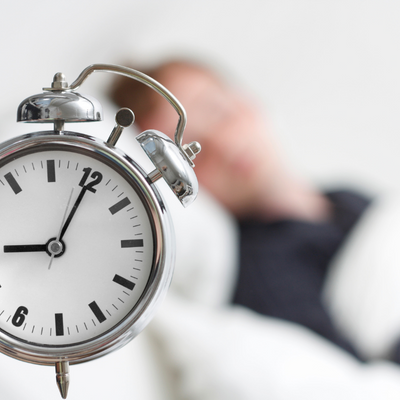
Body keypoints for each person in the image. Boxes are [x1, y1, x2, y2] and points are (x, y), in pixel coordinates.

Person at [110, 58, 370, 359]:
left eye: (219, 113)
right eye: (193, 151)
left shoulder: (349, 199)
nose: (225, 144)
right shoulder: (266, 278)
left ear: (248, 101)